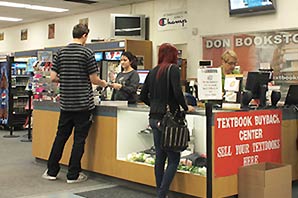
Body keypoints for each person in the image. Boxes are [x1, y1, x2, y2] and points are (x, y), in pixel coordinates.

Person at [42, 23, 107, 183]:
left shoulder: (61, 52)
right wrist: (104, 83)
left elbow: (52, 77)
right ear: (84, 35)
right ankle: (73, 174)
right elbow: (93, 79)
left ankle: (51, 171)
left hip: (66, 104)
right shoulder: (87, 52)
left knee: (60, 137)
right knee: (79, 139)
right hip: (83, 104)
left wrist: (66, 79)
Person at [139, 43, 195, 198]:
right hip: (169, 121)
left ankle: (160, 192)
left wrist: (155, 106)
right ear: (173, 56)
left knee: (160, 155)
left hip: (154, 118)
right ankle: (161, 194)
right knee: (173, 158)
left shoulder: (153, 71)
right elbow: (177, 92)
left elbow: (142, 96)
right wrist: (185, 107)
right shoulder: (173, 69)